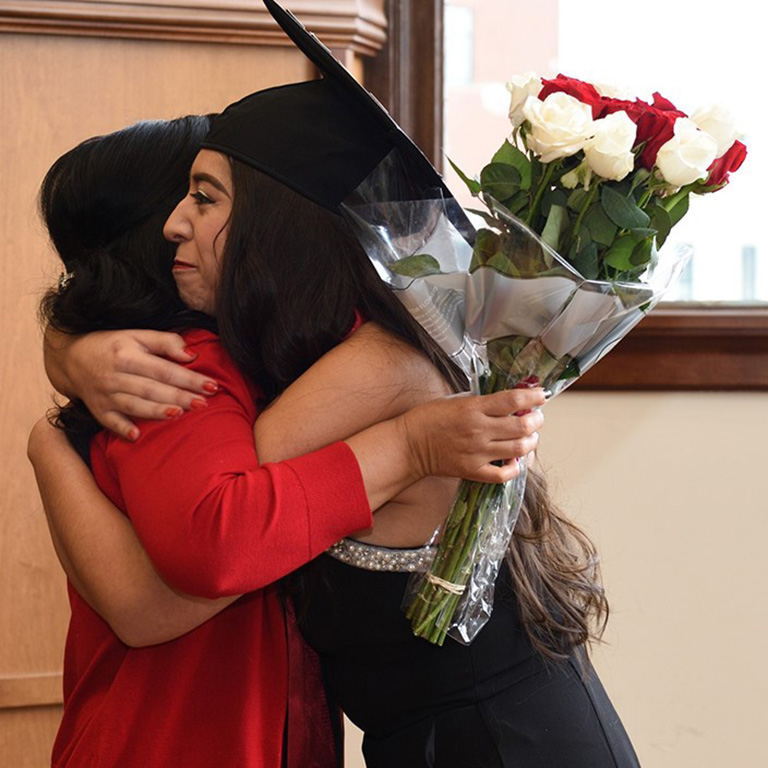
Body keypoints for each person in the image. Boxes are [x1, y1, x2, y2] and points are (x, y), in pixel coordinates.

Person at [29, 116, 544, 768]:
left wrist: (62, 367)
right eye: (194, 196)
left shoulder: (287, 353)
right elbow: (167, 590)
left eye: (209, 199)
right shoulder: (175, 369)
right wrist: (409, 447)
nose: (186, 220)